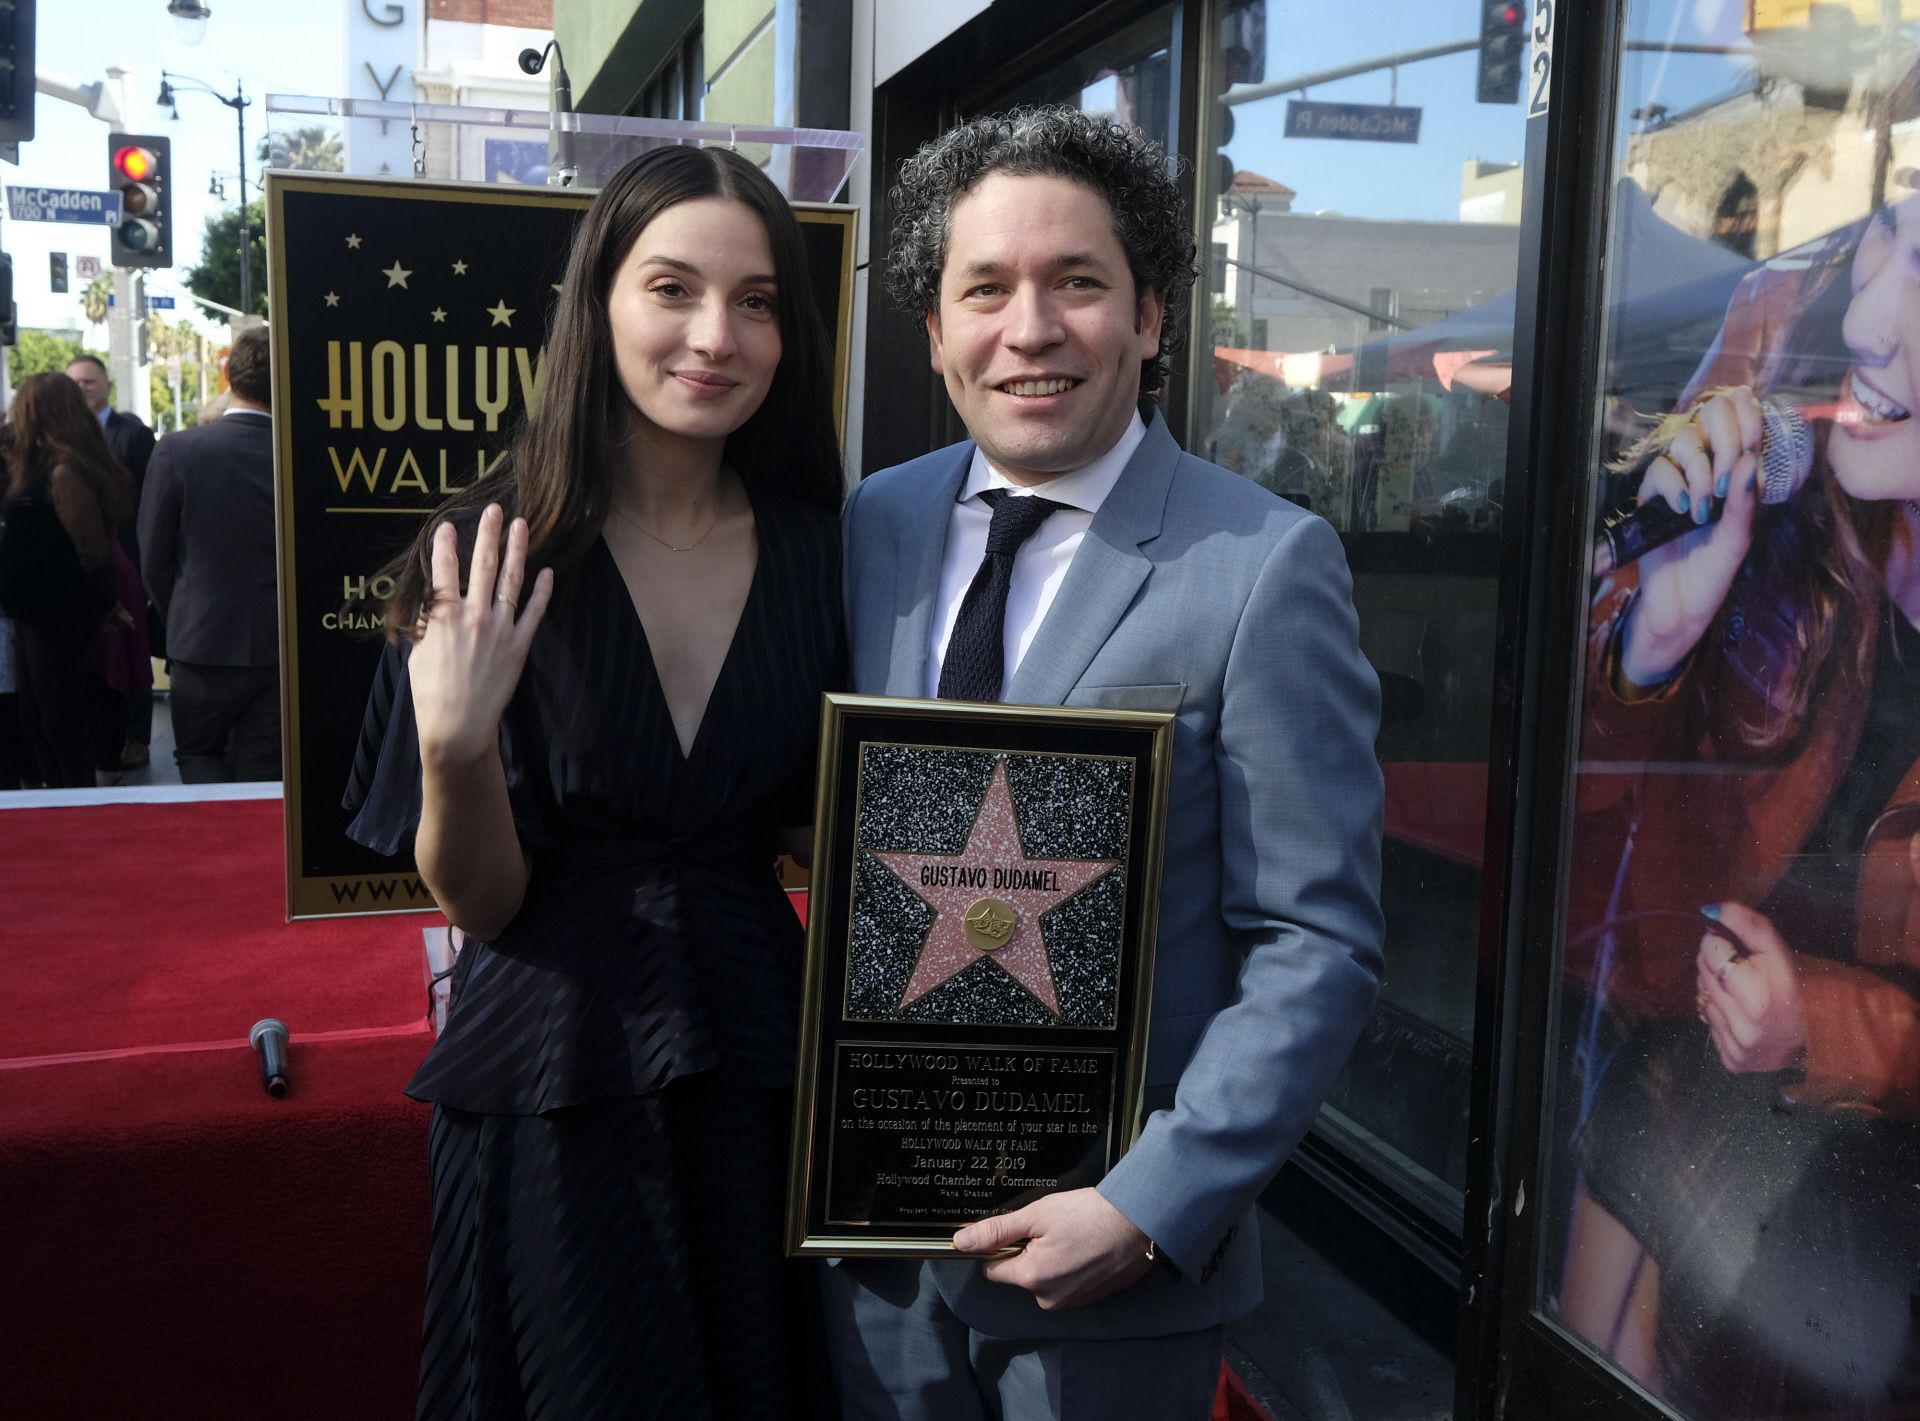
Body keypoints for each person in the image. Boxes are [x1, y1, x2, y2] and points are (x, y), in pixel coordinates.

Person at [827, 106, 1385, 1419]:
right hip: (873, 1255)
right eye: (987, 290)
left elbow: (1318, 942)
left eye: (1078, 282)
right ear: (936, 334)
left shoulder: (1264, 567)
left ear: (1152, 317)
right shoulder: (873, 523)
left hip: (1107, 1281)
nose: (1030, 328)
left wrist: (1150, 1204)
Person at [342, 144, 844, 1418]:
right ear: (600, 304)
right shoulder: (489, 548)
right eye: (671, 288)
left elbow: (817, 830)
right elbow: (488, 904)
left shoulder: (816, 552)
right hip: (553, 1067)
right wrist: (454, 744)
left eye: (759, 300)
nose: (715, 335)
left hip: (759, 1066)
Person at [1560, 192, 1920, 1415]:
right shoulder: (1791, 317)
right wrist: (1654, 637)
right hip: (1684, 1062)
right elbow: (1590, 797)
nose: (1872, 319)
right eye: (1895, 236)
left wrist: (1824, 1023)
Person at [137, 324, 281, 783]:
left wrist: (176, 615)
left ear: (229, 375)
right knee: (265, 772)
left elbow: (153, 557)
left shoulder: (179, 451)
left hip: (200, 641)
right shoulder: (301, 453)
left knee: (199, 757)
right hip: (282, 645)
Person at [0, 373, 141, 788]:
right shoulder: (44, 466)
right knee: (37, 715)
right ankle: (58, 796)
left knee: (58, 716)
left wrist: (103, 604)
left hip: (57, 610)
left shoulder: (64, 472)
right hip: (35, 609)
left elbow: (92, 551)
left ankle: (73, 799)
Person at [67, 353, 158, 770]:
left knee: (133, 652)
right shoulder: (61, 440)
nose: (83, 387)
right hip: (81, 568)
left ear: (106, 385)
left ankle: (137, 737)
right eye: (76, 382)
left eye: (90, 380)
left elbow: (153, 499)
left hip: (128, 560)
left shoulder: (133, 435)